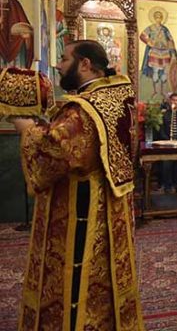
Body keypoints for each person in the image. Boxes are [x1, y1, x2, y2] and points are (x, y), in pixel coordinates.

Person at [10, 40, 144, 330]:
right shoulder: (117, 95)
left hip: (83, 208)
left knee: (81, 277)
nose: (58, 65)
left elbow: (57, 150)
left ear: (85, 64)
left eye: (63, 58)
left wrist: (25, 127)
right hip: (111, 203)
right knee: (105, 274)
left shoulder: (84, 109)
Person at [140, 9, 177, 98]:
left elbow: (170, 40)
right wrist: (150, 42)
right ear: (154, 18)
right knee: (155, 71)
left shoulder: (165, 29)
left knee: (165, 72)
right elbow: (142, 35)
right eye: (157, 17)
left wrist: (173, 52)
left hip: (165, 52)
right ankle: (155, 92)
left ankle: (163, 92)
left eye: (160, 17)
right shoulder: (151, 28)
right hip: (155, 52)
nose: (158, 19)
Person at [0, 0, 33, 68]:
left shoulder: (14, 3)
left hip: (12, 39)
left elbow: (24, 23)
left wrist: (26, 34)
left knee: (20, 41)